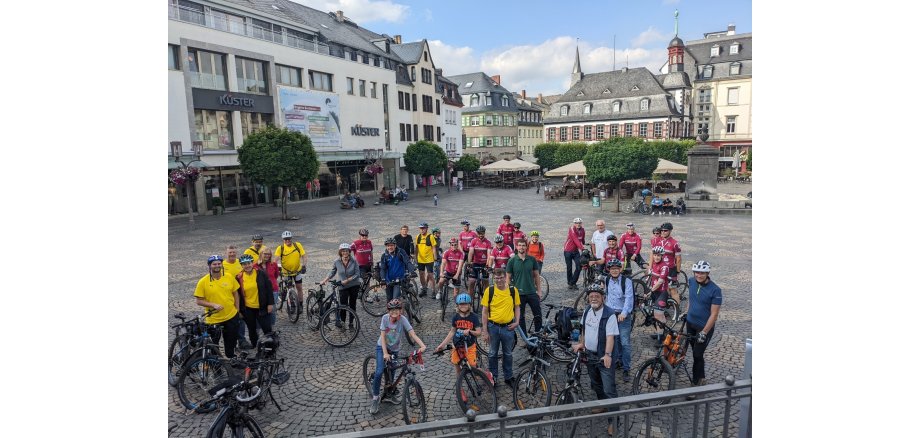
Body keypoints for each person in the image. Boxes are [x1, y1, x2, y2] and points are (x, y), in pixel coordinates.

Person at [572, 282, 620, 436]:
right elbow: (584, 329)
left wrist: (607, 355)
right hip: (590, 355)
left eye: (597, 296)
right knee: (595, 383)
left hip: (603, 356)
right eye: (591, 296)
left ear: (603, 298)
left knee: (609, 389)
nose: (594, 298)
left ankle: (614, 420)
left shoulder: (609, 314)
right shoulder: (587, 310)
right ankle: (601, 404)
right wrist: (582, 343)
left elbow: (610, 337)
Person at [369, 299, 427, 414]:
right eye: (392, 310)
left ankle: (389, 392)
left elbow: (412, 333)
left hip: (395, 349)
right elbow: (383, 336)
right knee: (380, 371)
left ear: (401, 311)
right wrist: (385, 353)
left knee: (393, 372)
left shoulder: (403, 319)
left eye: (397, 310)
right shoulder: (385, 318)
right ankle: (375, 398)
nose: (394, 312)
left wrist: (422, 345)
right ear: (388, 311)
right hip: (382, 347)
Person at [684, 260, 722, 396]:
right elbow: (691, 299)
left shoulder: (716, 290)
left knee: (697, 354)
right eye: (697, 272)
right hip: (690, 323)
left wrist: (704, 332)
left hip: (703, 327)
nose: (699, 275)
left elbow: (714, 314)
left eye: (702, 273)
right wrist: (686, 312)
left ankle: (694, 385)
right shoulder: (691, 281)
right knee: (695, 352)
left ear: (708, 273)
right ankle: (702, 376)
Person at [480, 268, 520, 387]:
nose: (499, 280)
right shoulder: (489, 290)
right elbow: (484, 312)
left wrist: (517, 322)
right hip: (493, 327)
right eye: (496, 278)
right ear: (494, 278)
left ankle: (508, 377)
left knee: (508, 353)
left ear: (505, 277)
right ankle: (493, 377)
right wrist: (485, 331)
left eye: (501, 277)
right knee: (492, 353)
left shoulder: (513, 290)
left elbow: (517, 307)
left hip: (508, 327)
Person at [194, 255, 240, 358]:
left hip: (231, 315)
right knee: (214, 344)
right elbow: (198, 301)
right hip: (213, 319)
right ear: (210, 266)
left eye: (219, 263)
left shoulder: (228, 276)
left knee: (231, 340)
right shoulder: (203, 282)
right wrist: (212, 304)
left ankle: (231, 356)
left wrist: (237, 309)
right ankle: (216, 362)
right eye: (214, 264)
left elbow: (235, 293)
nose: (217, 265)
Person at [434, 293, 483, 380]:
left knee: (473, 368)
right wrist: (442, 345)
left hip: (470, 346)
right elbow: (452, 332)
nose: (463, 306)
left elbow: (479, 332)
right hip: (457, 346)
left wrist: (470, 331)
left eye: (465, 304)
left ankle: (486, 375)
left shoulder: (474, 317)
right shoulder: (455, 317)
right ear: (457, 305)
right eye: (461, 304)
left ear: (469, 305)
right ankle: (459, 386)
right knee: (457, 367)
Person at [600, 259, 633, 382]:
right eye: (612, 268)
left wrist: (624, 313)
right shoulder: (607, 279)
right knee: (614, 339)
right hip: (611, 314)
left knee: (624, 342)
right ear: (609, 270)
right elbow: (606, 296)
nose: (614, 270)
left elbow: (629, 299)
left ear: (620, 269)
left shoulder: (627, 281)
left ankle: (626, 368)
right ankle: (618, 360)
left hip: (623, 315)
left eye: (616, 268)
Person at [236, 254, 274, 348]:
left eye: (248, 263)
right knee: (251, 329)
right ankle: (255, 346)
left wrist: (270, 304)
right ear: (241, 265)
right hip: (248, 308)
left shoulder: (261, 273)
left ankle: (270, 345)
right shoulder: (239, 277)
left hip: (262, 306)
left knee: (267, 328)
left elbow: (269, 288)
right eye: (244, 264)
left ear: (252, 263)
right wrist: (239, 310)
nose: (247, 266)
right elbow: (238, 295)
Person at [320, 243, 362, 329]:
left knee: (352, 304)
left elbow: (357, 274)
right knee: (343, 305)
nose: (345, 252)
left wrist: (348, 280)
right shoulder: (337, 261)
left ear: (349, 252)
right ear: (340, 252)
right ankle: (342, 322)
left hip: (354, 285)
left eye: (346, 251)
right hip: (342, 286)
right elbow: (333, 272)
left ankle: (351, 322)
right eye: (343, 251)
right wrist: (325, 280)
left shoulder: (354, 261)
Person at [506, 239, 542, 331]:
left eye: (523, 245)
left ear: (526, 247)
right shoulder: (512, 261)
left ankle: (538, 335)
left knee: (538, 315)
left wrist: (539, 291)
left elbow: (536, 276)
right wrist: (510, 292)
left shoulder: (532, 259)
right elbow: (508, 278)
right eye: (520, 245)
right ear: (517, 247)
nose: (521, 247)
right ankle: (525, 338)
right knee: (520, 318)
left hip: (532, 292)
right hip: (518, 293)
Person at [222, 246, 249, 350]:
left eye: (233, 252)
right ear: (226, 253)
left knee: (240, 316)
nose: (232, 254)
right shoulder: (222, 265)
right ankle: (230, 341)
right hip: (227, 294)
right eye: (230, 252)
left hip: (239, 293)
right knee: (229, 318)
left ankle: (241, 340)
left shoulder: (240, 262)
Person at [273, 231, 307, 314]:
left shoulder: (297, 245)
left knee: (299, 288)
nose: (287, 240)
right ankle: (292, 305)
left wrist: (304, 265)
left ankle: (301, 305)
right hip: (286, 273)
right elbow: (275, 259)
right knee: (289, 289)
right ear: (283, 240)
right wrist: (273, 267)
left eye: (288, 239)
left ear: (291, 239)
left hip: (297, 271)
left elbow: (304, 256)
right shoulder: (280, 248)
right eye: (285, 239)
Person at [647, 246, 670, 334]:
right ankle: (661, 332)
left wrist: (651, 290)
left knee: (658, 314)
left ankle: (660, 337)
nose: (656, 257)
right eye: (655, 255)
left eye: (658, 256)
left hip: (661, 292)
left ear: (662, 256)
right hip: (654, 291)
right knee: (654, 314)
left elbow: (660, 282)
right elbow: (651, 277)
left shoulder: (664, 267)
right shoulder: (654, 264)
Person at [658, 222, 683, 306]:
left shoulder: (675, 243)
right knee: (663, 288)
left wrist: (678, 271)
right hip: (660, 269)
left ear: (670, 231)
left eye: (665, 230)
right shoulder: (659, 241)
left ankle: (677, 309)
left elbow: (678, 259)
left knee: (673, 290)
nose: (663, 232)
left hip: (671, 270)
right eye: (661, 231)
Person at [256, 247, 280, 326]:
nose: (267, 256)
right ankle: (261, 327)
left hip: (273, 290)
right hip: (260, 291)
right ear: (261, 254)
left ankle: (271, 327)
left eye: (269, 254)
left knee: (272, 310)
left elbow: (276, 275)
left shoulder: (274, 264)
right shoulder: (255, 265)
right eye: (265, 254)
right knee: (261, 309)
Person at [437, 237, 466, 302]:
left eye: (455, 244)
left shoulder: (461, 253)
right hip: (448, 271)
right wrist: (441, 273)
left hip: (456, 273)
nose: (454, 246)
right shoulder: (446, 252)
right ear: (450, 245)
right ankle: (440, 291)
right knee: (441, 281)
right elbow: (443, 264)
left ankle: (457, 305)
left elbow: (460, 266)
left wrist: (457, 275)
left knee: (456, 292)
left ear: (457, 245)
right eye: (452, 245)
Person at [466, 226, 492, 296]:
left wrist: (487, 265)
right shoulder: (473, 241)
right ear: (477, 233)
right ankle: (470, 302)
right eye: (479, 233)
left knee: (485, 281)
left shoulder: (488, 242)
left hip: (484, 264)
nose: (481, 235)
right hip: (475, 263)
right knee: (471, 282)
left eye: (482, 233)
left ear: (484, 233)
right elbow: (471, 252)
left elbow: (489, 255)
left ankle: (487, 298)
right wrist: (469, 263)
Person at [563, 218, 586, 290]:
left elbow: (582, 239)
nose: (578, 224)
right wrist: (582, 248)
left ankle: (572, 282)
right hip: (568, 250)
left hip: (576, 251)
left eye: (579, 223)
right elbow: (575, 239)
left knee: (579, 266)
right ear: (574, 224)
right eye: (576, 223)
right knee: (569, 267)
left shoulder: (582, 230)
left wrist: (584, 243)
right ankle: (570, 282)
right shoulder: (571, 229)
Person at [415, 223, 436, 298]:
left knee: (430, 275)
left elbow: (433, 247)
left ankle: (434, 290)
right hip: (421, 259)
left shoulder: (431, 236)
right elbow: (416, 247)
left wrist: (435, 257)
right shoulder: (418, 236)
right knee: (421, 274)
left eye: (423, 228)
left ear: (427, 228)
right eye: (420, 228)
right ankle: (424, 289)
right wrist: (415, 257)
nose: (422, 230)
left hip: (429, 259)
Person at [431, 227, 443, 296]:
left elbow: (437, 247)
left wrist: (440, 249)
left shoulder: (439, 239)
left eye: (440, 233)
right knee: (434, 271)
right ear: (434, 233)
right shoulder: (432, 239)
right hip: (433, 257)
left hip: (438, 256)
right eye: (438, 233)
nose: (439, 234)